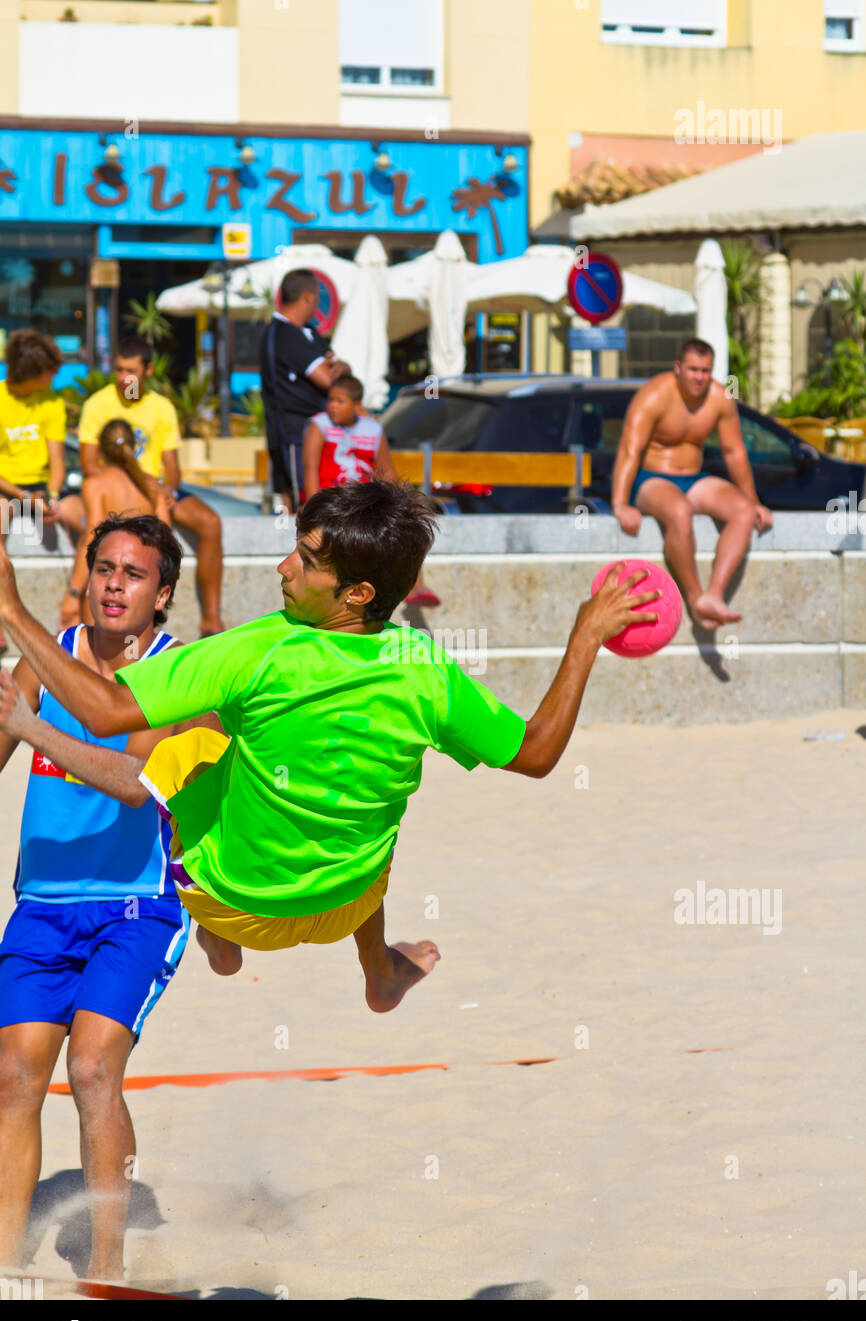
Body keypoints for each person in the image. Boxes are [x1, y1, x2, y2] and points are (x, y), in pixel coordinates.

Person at [0, 480, 658, 1012]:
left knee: (192, 748)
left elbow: (106, 710)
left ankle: (220, 943)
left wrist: (10, 611)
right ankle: (380, 973)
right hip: (343, 902)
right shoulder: (424, 668)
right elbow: (539, 752)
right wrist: (586, 636)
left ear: (359, 592)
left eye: (307, 562)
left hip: (234, 900)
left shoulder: (256, 647)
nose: (284, 568)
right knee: (376, 801)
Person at [0, 513, 218, 1282]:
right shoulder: (47, 655)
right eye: (105, 569)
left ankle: (108, 1271)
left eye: (134, 573)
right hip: (43, 904)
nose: (115, 583)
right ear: (86, 578)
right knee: (16, 1076)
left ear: (163, 595)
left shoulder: (175, 672)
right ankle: (5, 1271)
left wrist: (30, 726)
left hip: (137, 906)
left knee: (93, 1069)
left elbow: (134, 783)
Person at [611, 338, 773, 629]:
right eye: (693, 369)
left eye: (705, 371)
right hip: (652, 479)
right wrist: (621, 503)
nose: (699, 377)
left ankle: (714, 595)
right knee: (679, 511)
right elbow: (629, 449)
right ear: (678, 368)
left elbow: (734, 452)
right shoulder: (655, 395)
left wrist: (754, 500)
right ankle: (695, 599)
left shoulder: (719, 399)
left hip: (693, 479)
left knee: (743, 511)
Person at [77, 335, 224, 637]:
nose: (123, 378)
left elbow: (172, 467)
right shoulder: (98, 404)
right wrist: (131, 480)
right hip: (120, 486)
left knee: (211, 522)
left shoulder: (162, 407)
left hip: (155, 488)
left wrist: (167, 491)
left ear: (148, 370)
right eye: (118, 370)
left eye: (130, 370)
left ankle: (210, 617)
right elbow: (89, 465)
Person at [303, 375, 440, 607]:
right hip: (333, 503)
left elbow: (387, 472)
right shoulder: (320, 425)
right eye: (331, 400)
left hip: (365, 503)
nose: (332, 406)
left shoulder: (373, 429)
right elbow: (310, 468)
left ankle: (416, 586)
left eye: (340, 401)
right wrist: (312, 508)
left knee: (406, 527)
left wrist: (408, 505)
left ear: (356, 405)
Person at [0, 329, 85, 652]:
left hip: (42, 487)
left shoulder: (51, 401)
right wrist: (23, 497)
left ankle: (75, 603)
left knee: (93, 524)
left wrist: (48, 497)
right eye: (51, 370)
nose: (57, 373)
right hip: (7, 487)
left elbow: (58, 460)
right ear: (32, 373)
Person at [259, 269, 351, 513]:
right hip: (294, 435)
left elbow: (344, 370)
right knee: (307, 507)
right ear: (308, 297)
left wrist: (338, 367)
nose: (319, 302)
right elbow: (326, 378)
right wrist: (335, 367)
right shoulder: (284, 333)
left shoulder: (307, 333)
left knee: (318, 504)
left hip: (310, 432)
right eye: (318, 296)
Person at [64, 420, 171, 624]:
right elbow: (166, 538)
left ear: (100, 450)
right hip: (143, 583)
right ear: (133, 446)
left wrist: (73, 592)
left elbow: (91, 539)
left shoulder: (96, 485)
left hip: (109, 581)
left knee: (97, 651)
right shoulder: (150, 484)